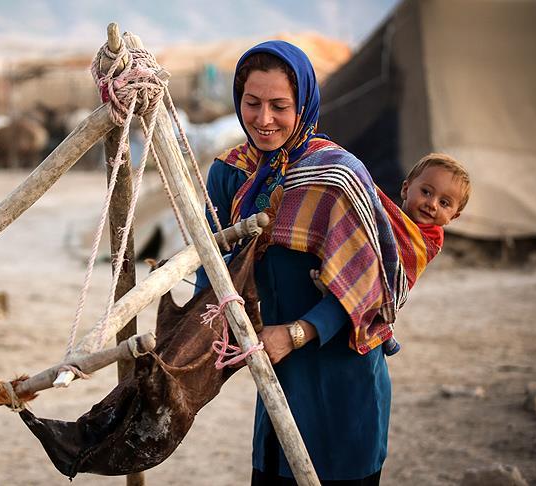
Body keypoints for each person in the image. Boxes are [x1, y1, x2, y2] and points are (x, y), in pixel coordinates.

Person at [203, 40, 407, 485]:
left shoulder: (337, 175)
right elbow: (209, 267)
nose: (264, 119)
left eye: (280, 106)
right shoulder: (229, 173)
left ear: (304, 105)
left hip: (341, 377)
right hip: (275, 378)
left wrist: (296, 333)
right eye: (252, 103)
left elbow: (369, 287)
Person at [311, 152, 472, 355]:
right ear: (405, 189)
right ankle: (335, 279)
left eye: (444, 203)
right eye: (426, 192)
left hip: (385, 285)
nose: (432, 204)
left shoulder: (431, 237)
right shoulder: (387, 214)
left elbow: (393, 257)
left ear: (453, 217)